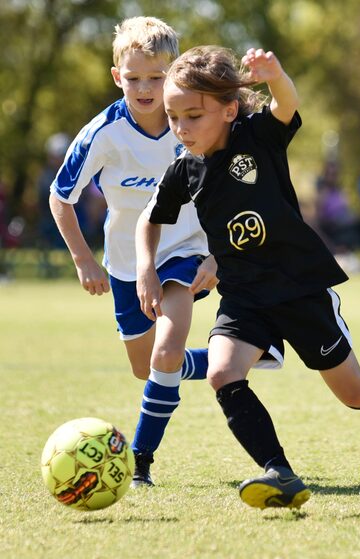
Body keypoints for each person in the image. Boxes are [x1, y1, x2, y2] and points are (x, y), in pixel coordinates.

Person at [136, 45, 360, 510]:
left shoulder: (257, 137)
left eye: (192, 115)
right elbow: (150, 219)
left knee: (353, 394)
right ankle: (278, 471)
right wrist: (146, 267)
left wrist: (275, 75)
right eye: (173, 117)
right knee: (223, 372)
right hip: (245, 296)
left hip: (300, 287)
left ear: (229, 110)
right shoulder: (184, 172)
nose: (181, 128)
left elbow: (287, 104)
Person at [49, 17, 219, 487]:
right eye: (133, 77)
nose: (145, 88)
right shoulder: (103, 134)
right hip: (125, 262)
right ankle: (234, 354)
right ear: (116, 76)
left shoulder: (192, 122)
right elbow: (60, 197)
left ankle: (140, 465)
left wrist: (217, 256)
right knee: (146, 368)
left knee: (166, 347)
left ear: (176, 72)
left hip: (186, 251)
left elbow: (230, 189)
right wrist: (84, 259)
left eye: (157, 77)